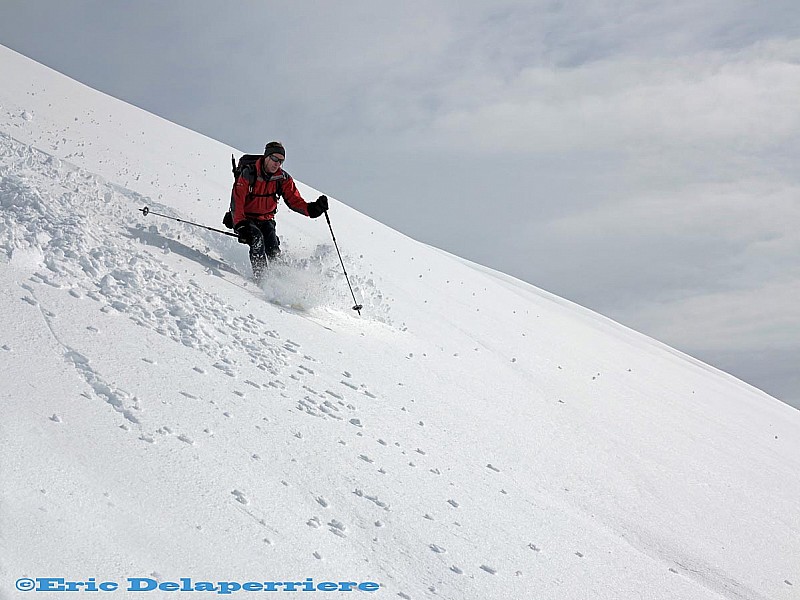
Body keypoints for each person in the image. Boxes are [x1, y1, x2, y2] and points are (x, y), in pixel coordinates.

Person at [230, 141, 329, 279]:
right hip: (247, 219)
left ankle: (280, 281)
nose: (277, 163)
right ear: (266, 156)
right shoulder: (249, 173)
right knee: (257, 240)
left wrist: (311, 209)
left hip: (266, 219)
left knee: (273, 249)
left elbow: (294, 200)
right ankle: (262, 279)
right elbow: (237, 199)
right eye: (274, 159)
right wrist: (239, 224)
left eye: (281, 161)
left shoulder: (282, 179)